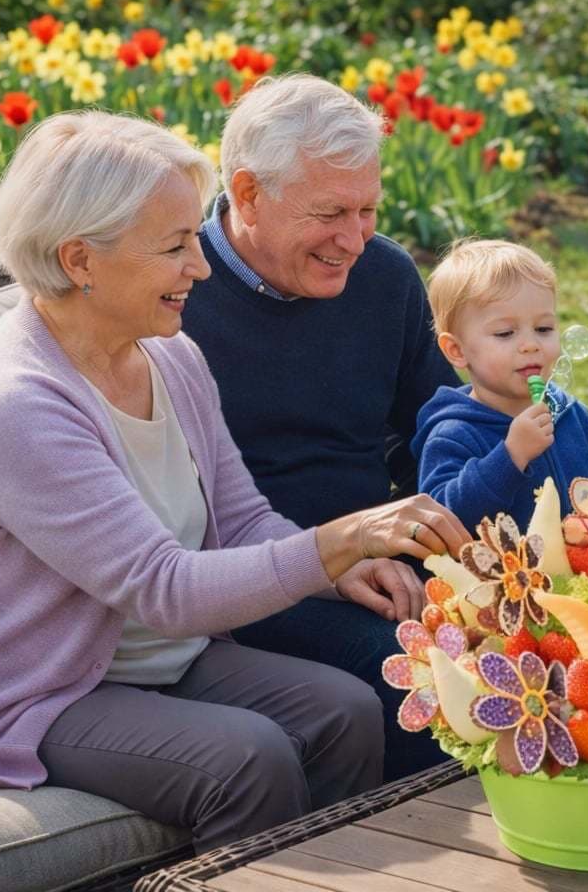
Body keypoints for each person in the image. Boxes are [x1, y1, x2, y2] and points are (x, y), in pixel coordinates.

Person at [0, 111, 471, 851]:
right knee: (244, 761)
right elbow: (166, 589)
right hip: (20, 692)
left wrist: (343, 570)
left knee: (346, 709)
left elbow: (242, 516)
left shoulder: (169, 356)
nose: (202, 265)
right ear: (80, 260)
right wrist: (338, 540)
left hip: (145, 658)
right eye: (175, 245)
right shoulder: (17, 404)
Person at [179, 74, 463, 780]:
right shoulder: (174, 293)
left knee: (531, 622)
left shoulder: (387, 276)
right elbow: (177, 521)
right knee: (405, 663)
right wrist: (329, 567)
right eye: (332, 212)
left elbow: (436, 433)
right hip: (246, 575)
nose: (356, 238)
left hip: (383, 557)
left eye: (368, 209)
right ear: (247, 194)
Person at [416, 239, 588, 529]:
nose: (530, 345)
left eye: (543, 328)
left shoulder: (573, 415)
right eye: (505, 333)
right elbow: (444, 519)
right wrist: (510, 457)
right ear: (457, 351)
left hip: (576, 571)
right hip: (495, 574)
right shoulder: (453, 435)